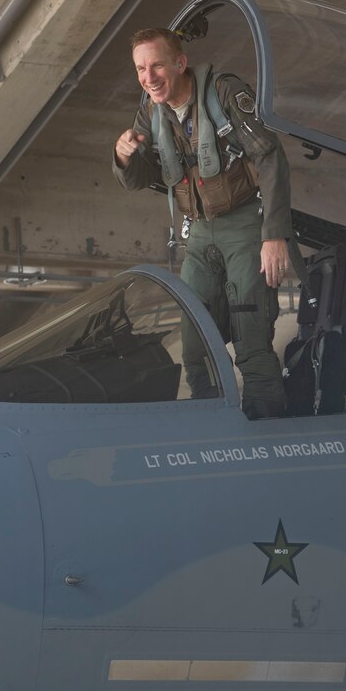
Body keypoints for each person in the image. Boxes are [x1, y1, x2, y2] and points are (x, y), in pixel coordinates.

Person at [112, 28, 291, 419]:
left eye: (157, 64)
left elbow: (270, 157)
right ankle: (211, 428)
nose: (149, 77)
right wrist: (123, 156)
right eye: (141, 69)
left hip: (244, 226)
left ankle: (269, 431)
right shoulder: (151, 110)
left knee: (252, 341)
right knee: (195, 349)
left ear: (180, 62)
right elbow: (142, 178)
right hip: (198, 232)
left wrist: (274, 235)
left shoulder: (224, 93)